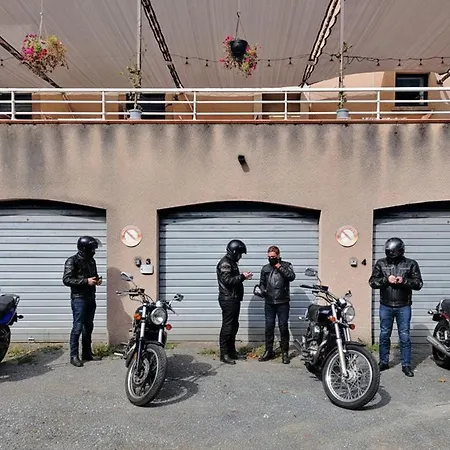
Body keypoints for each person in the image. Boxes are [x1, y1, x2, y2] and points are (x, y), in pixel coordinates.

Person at [369, 237, 423, 377]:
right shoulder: (381, 263)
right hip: (385, 305)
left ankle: (406, 365)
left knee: (404, 336)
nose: (391, 254)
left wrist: (404, 281)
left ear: (400, 251)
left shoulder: (410, 264)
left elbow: (418, 284)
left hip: (403, 306)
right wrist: (386, 280)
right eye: (389, 251)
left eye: (394, 251)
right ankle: (383, 362)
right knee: (384, 334)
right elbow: (372, 282)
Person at [63, 236, 103, 367]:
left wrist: (96, 280)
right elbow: (66, 280)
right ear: (84, 248)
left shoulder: (91, 261)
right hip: (79, 298)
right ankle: (74, 356)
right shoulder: (72, 261)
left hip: (90, 297)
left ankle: (87, 353)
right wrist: (86, 281)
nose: (94, 251)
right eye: (92, 249)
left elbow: (93, 276)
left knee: (88, 326)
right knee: (78, 327)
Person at [257, 245, 296, 364]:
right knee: (269, 327)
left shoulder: (286, 265)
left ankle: (285, 353)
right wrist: (262, 290)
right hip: (269, 302)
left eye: (273, 256)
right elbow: (261, 283)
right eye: (269, 257)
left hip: (282, 302)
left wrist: (279, 267)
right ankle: (268, 351)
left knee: (283, 326)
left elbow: (291, 277)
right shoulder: (265, 268)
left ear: (278, 255)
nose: (271, 259)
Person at [216, 239, 253, 365]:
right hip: (228, 299)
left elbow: (232, 279)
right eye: (240, 254)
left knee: (233, 326)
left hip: (234, 299)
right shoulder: (225, 263)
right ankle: (224, 354)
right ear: (234, 252)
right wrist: (242, 276)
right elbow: (227, 281)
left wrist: (242, 277)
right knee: (227, 327)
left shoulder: (231, 262)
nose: (240, 256)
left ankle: (232, 352)